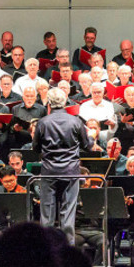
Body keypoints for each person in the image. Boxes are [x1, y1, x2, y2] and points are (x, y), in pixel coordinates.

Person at [32, 87, 98, 243]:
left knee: (47, 216)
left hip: (49, 172)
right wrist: (92, 137)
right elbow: (87, 146)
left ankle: (47, 251)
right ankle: (68, 252)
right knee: (68, 215)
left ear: (48, 103)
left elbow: (35, 148)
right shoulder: (75, 121)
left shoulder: (43, 122)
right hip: (70, 172)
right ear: (65, 102)